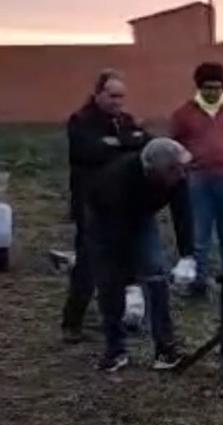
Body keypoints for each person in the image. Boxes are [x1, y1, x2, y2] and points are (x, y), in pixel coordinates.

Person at [84, 138, 195, 372]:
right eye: (175, 170)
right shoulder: (117, 182)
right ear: (156, 171)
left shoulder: (177, 175)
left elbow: (183, 212)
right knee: (110, 283)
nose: (182, 174)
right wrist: (130, 283)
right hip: (105, 222)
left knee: (156, 274)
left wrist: (187, 255)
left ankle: (165, 349)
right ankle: (115, 350)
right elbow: (117, 238)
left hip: (142, 215)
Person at [60, 69, 150, 343]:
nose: (117, 102)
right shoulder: (81, 121)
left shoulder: (125, 121)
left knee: (123, 264)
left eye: (121, 96)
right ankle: (72, 323)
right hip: (90, 205)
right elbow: (88, 151)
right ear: (98, 94)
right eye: (112, 96)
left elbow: (145, 142)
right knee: (87, 265)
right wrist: (125, 143)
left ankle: (117, 319)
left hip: (121, 204)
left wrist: (118, 142)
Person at [170, 62, 223, 297]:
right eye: (208, 87)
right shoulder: (183, 114)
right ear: (199, 87)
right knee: (200, 232)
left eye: (217, 87)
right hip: (198, 180)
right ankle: (199, 281)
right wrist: (182, 171)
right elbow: (173, 146)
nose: (212, 92)